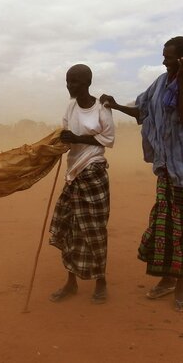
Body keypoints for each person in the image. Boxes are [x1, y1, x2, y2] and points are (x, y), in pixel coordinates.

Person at [100, 36, 183, 312]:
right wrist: (115, 106)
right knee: (164, 226)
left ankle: (180, 287)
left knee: (182, 229)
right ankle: (165, 279)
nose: (164, 61)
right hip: (165, 166)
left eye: (169, 57)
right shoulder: (160, 83)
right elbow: (142, 110)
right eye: (164, 56)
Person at [48, 64, 115, 304]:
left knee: (95, 230)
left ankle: (100, 281)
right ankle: (71, 282)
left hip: (94, 173)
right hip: (73, 173)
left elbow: (108, 139)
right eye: (68, 81)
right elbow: (66, 134)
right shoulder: (70, 106)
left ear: (87, 82)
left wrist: (77, 138)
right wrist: (59, 144)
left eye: (74, 82)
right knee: (70, 228)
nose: (69, 86)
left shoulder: (102, 109)